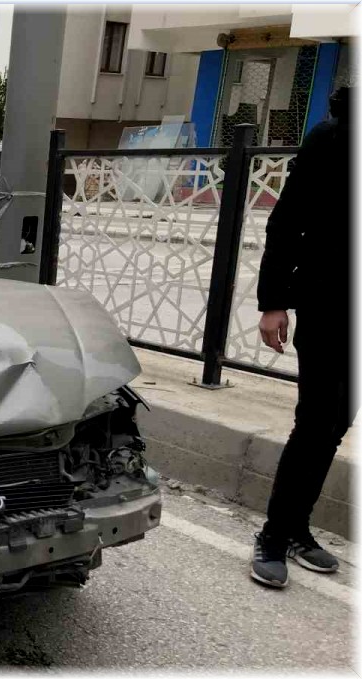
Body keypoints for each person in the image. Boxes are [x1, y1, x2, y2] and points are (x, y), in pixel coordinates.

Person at [251, 86, 354, 588]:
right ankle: (273, 534)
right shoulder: (333, 137)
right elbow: (287, 222)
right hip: (329, 300)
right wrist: (273, 301)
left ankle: (296, 527)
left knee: (337, 422)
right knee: (316, 420)